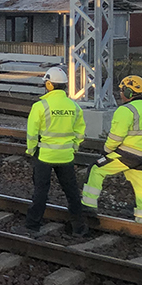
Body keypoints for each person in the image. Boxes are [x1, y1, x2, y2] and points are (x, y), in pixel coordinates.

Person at [82, 75, 142, 225]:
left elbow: (115, 137)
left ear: (129, 92)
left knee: (96, 169)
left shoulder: (126, 110)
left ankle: (87, 207)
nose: (121, 94)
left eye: (123, 91)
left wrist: (106, 151)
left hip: (127, 154)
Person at [24, 66, 88, 237]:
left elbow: (32, 133)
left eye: (46, 83)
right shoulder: (74, 106)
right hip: (66, 157)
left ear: (50, 85)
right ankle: (79, 228)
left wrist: (32, 151)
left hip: (45, 156)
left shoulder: (40, 106)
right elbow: (80, 131)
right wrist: (74, 147)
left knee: (41, 192)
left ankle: (32, 225)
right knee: (72, 193)